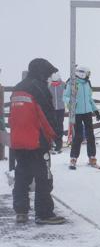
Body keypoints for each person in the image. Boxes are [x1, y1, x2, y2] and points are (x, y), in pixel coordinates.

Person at [9, 58, 65, 224]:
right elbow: (47, 116)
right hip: (37, 141)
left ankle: (21, 211)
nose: (48, 78)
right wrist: (56, 136)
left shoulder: (17, 88)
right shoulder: (39, 88)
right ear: (41, 72)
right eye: (47, 74)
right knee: (43, 177)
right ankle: (44, 213)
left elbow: (13, 117)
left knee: (22, 175)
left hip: (19, 141)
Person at [64, 66, 100, 168]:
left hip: (87, 112)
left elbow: (89, 99)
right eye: (87, 73)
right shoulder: (72, 83)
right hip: (77, 112)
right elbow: (65, 96)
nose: (89, 76)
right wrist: (72, 102)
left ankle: (92, 157)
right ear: (82, 73)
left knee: (90, 135)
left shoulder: (87, 83)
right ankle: (73, 158)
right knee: (79, 136)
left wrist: (95, 110)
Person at [48, 72, 65, 154]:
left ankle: (59, 144)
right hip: (52, 109)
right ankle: (51, 143)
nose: (55, 84)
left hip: (61, 108)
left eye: (56, 82)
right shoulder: (48, 85)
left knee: (59, 126)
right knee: (52, 126)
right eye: (54, 82)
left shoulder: (63, 85)